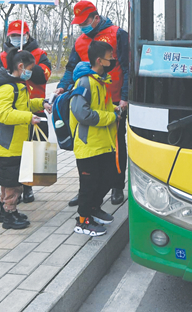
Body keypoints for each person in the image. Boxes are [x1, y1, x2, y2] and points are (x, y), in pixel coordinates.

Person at [58, 0, 129, 206]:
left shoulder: (117, 34)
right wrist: (62, 86)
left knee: (115, 144)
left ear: (96, 18)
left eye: (85, 22)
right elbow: (71, 68)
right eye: (79, 23)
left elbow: (127, 67)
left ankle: (117, 185)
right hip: (88, 99)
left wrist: (125, 97)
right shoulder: (80, 42)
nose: (82, 26)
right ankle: (86, 190)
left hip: (114, 100)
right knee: (87, 147)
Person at [0, 20, 53, 203]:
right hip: (14, 112)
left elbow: (43, 76)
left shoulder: (40, 54)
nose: (17, 38)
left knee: (36, 150)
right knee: (14, 156)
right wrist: (12, 68)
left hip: (34, 108)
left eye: (20, 35)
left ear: (27, 35)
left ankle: (29, 187)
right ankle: (11, 193)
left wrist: (27, 64)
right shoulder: (4, 56)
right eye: (14, 36)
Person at [70, 41, 125, 237]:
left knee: (108, 178)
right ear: (100, 60)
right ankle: (83, 221)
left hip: (103, 143)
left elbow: (102, 106)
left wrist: (115, 109)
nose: (113, 60)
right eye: (110, 57)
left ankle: (94, 209)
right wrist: (111, 117)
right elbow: (82, 114)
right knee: (89, 185)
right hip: (88, 146)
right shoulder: (84, 83)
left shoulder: (102, 82)